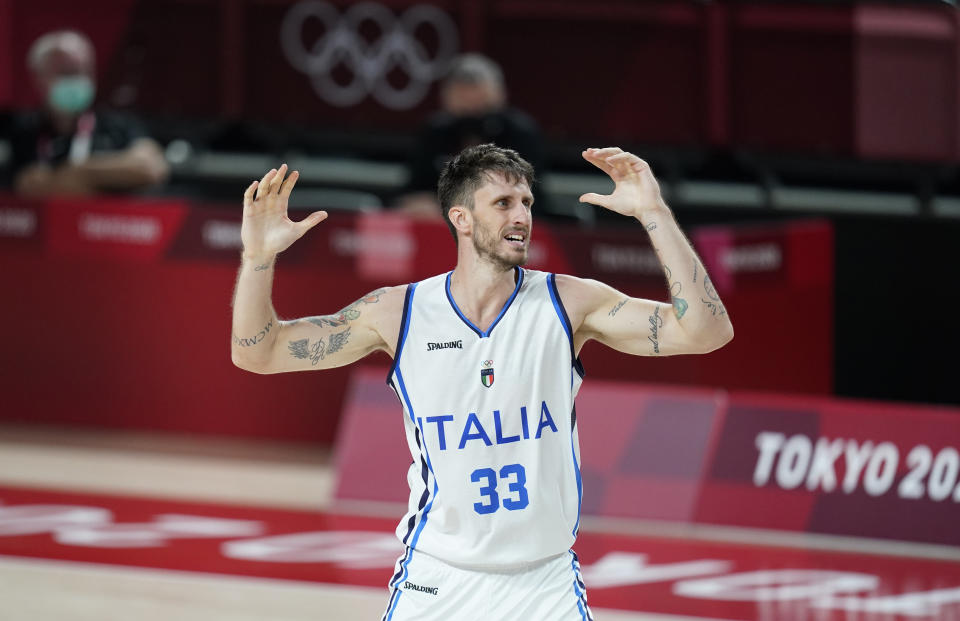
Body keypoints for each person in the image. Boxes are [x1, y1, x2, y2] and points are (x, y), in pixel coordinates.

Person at [231, 144, 733, 620]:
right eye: (503, 203)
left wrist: (655, 213)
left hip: (544, 581)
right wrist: (257, 257)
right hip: (437, 577)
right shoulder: (397, 312)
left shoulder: (569, 302)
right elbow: (259, 352)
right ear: (461, 219)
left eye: (527, 202)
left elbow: (706, 331)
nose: (521, 216)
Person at [9, 30, 168, 197]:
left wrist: (77, 173)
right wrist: (111, 176)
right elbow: (25, 183)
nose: (78, 79)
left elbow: (150, 167)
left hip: (106, 222)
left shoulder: (119, 124)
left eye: (85, 71)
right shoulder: (20, 129)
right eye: (67, 72)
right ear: (38, 77)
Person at [396, 53, 547, 218]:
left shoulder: (519, 133)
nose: (470, 104)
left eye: (480, 100)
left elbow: (528, 195)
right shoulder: (435, 132)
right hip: (442, 225)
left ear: (498, 95)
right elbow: (413, 191)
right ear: (447, 97)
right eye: (462, 95)